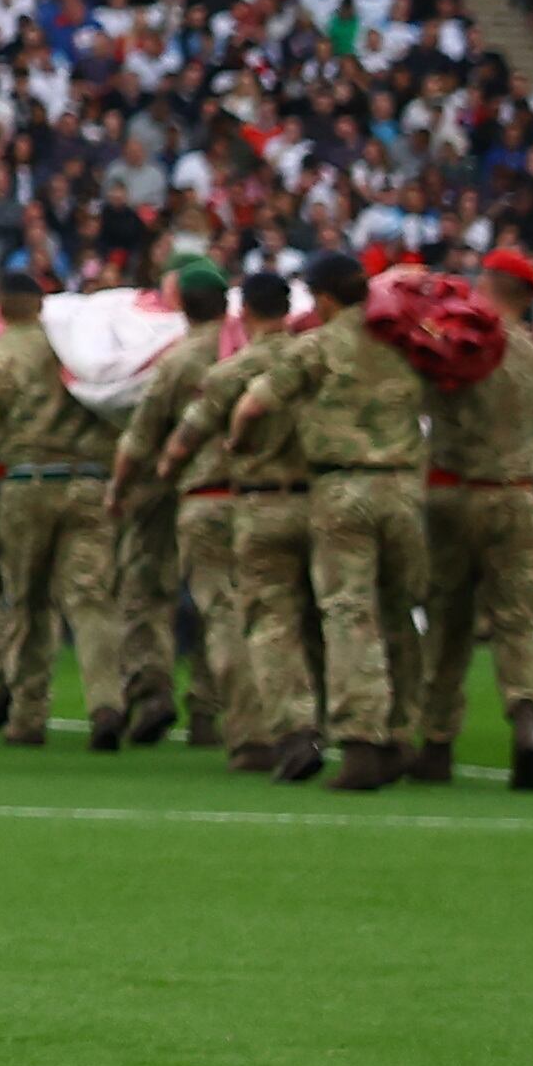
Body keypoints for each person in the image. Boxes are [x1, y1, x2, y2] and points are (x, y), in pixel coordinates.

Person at [231, 248, 428, 793]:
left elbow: (254, 405)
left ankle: (362, 742)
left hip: (343, 489)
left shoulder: (316, 345)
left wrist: (238, 441)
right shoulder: (404, 341)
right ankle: (406, 735)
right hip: (406, 488)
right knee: (398, 613)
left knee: (348, 612)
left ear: (321, 298)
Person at [0, 268, 121, 746]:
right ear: (41, 305)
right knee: (91, 598)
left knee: (29, 601)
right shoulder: (80, 352)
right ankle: (106, 703)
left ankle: (28, 713)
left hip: (27, 484)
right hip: (89, 483)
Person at [167, 267, 325, 780]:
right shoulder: (321, 362)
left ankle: (268, 731)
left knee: (255, 620)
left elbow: (185, 437)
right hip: (324, 500)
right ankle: (363, 730)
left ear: (247, 312)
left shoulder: (234, 370)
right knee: (332, 618)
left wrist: (164, 468)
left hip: (257, 503)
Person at [417, 248, 533, 792]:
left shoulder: (452, 343)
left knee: (447, 619)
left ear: (485, 282)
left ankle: (435, 742)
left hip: (450, 492)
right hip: (514, 495)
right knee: (517, 619)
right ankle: (526, 720)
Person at [103, 259, 241, 751]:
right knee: (223, 602)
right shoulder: (246, 350)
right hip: (243, 490)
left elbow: (140, 438)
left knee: (145, 587)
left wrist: (119, 490)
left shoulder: (179, 361)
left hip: (176, 486)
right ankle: (209, 709)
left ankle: (151, 686)